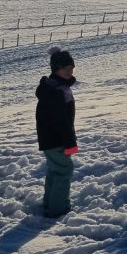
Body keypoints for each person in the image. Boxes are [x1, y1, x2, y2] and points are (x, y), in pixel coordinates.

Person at [36, 46, 77, 218]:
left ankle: (50, 203)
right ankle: (58, 208)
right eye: (65, 68)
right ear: (56, 69)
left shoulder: (53, 86)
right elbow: (62, 122)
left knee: (55, 170)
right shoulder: (59, 91)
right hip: (57, 139)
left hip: (49, 139)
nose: (69, 71)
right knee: (63, 171)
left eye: (71, 68)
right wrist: (70, 143)